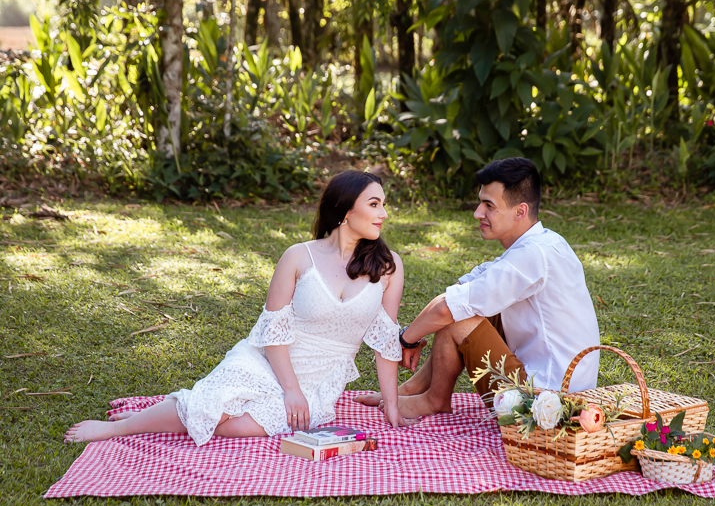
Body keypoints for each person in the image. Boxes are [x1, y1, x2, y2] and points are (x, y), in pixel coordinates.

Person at [64, 170, 416, 445]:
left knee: (241, 427)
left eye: (383, 204)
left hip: (320, 380)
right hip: (267, 360)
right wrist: (289, 389)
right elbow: (273, 331)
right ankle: (121, 429)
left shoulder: (389, 266)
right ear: (343, 208)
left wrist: (392, 406)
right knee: (212, 407)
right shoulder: (298, 256)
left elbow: (386, 343)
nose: (383, 213)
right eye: (374, 204)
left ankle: (174, 413)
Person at [356, 158, 601, 418]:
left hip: (548, 403)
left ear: (520, 211)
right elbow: (463, 287)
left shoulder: (533, 254)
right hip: (552, 389)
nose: (477, 213)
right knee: (461, 304)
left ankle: (434, 400)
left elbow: (446, 310)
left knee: (456, 314)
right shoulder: (542, 243)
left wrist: (407, 339)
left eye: (489, 206)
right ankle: (413, 388)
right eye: (480, 202)